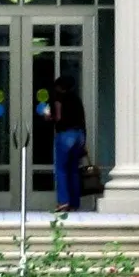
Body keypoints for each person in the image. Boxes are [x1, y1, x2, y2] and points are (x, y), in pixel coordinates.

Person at [47, 75, 87, 213]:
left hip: (65, 135)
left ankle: (63, 202)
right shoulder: (77, 99)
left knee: (61, 169)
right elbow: (82, 120)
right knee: (74, 170)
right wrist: (84, 141)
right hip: (79, 135)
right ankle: (74, 203)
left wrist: (48, 117)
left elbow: (58, 118)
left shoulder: (59, 99)